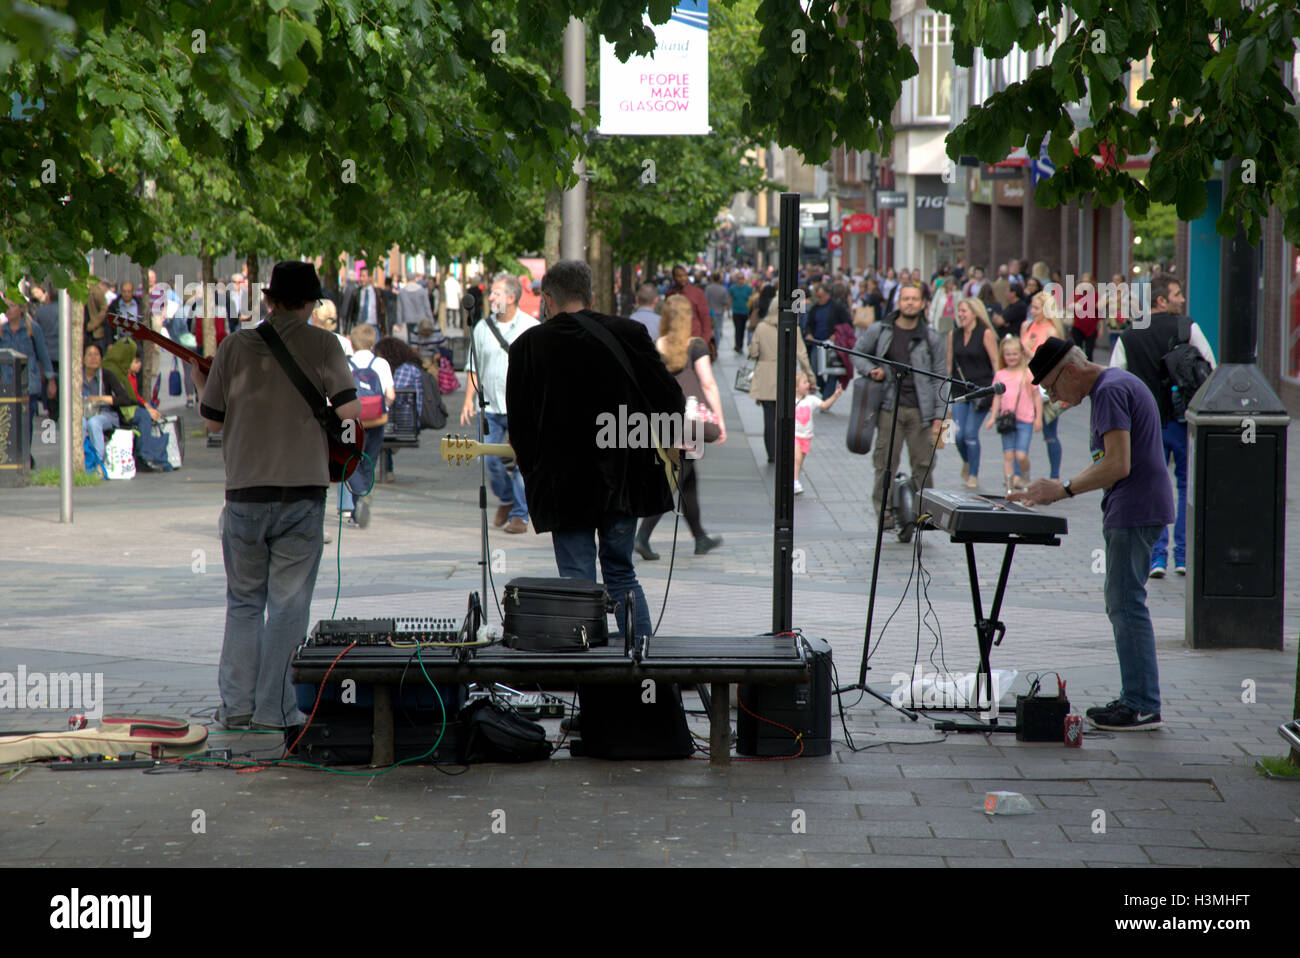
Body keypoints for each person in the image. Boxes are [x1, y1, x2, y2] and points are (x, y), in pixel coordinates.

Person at [191, 261, 362, 731]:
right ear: (309, 303)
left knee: (244, 602)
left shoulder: (233, 346)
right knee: (288, 605)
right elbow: (350, 411)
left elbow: (212, 421)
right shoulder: (323, 343)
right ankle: (276, 711)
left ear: (268, 300)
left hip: (244, 493)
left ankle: (237, 708)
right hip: (302, 494)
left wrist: (199, 378)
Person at [505, 259, 684, 641]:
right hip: (622, 478)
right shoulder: (629, 333)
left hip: (563, 484)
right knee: (621, 572)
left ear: (547, 299)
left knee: (575, 579)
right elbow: (670, 398)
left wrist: (533, 470)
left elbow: (519, 428)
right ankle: (643, 666)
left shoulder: (528, 346)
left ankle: (585, 673)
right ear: (591, 295)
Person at [1010, 338, 1172, 731]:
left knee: (1125, 605)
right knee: (1124, 603)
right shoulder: (1113, 385)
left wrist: (1062, 489)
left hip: (1135, 509)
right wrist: (1055, 489)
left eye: (1051, 388)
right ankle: (1136, 697)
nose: (1054, 397)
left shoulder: (1110, 390)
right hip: (1136, 507)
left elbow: (1117, 463)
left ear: (1069, 371)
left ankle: (1141, 704)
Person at [1109, 275, 1215, 578]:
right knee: (1185, 485)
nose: (1182, 299)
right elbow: (1211, 368)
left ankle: (1156, 557)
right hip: (1182, 423)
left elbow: (1115, 379)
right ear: (1161, 300)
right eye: (1177, 294)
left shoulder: (1129, 335)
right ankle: (1182, 556)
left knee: (1150, 488)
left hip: (1144, 427)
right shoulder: (1186, 327)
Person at [634, 295, 725, 558]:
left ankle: (700, 538)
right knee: (672, 480)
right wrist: (719, 421)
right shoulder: (695, 346)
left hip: (665, 421)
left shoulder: (655, 345)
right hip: (691, 424)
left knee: (688, 481)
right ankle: (642, 536)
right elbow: (708, 383)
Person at [852, 284, 947, 529]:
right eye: (905, 298)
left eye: (915, 299)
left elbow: (940, 376)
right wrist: (871, 370)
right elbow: (857, 352)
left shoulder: (932, 336)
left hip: (922, 413)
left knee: (924, 466)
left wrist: (940, 415)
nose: (910, 303)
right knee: (884, 464)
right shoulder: (881, 330)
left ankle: (925, 514)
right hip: (888, 408)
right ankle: (883, 513)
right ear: (898, 302)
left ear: (923, 303)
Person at [461, 272, 539, 534]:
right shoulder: (482, 327)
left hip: (522, 410)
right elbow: (474, 367)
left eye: (495, 292)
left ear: (511, 297)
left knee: (521, 462)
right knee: (489, 459)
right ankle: (506, 499)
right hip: (491, 409)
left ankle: (519, 514)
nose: (490, 297)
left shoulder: (531, 327)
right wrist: (468, 401)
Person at [749, 296, 816, 463]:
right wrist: (811, 378)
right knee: (785, 416)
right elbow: (802, 355)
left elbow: (753, 353)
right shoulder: (794, 328)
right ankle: (784, 451)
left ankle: (771, 454)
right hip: (786, 376)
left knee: (769, 417)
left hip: (765, 376)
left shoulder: (761, 328)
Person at [342, 323, 394, 526]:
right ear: (372, 343)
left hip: (351, 422)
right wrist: (383, 407)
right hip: (375, 421)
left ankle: (359, 499)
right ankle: (365, 495)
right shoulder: (381, 364)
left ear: (352, 344)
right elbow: (391, 395)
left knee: (350, 462)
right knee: (369, 461)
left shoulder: (345, 364)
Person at [948, 297, 999, 489]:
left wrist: (997, 392)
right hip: (959, 390)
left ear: (975, 313)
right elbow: (949, 364)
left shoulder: (985, 333)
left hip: (981, 391)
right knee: (958, 436)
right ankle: (967, 461)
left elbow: (996, 364)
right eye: (959, 311)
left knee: (970, 433)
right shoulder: (954, 334)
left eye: (964, 311)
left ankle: (973, 474)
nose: (960, 315)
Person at [0, 290, 56, 466]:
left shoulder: (33, 329)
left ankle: (25, 453)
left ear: (21, 309)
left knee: (26, 421)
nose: (8, 310)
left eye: (12, 306)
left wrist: (50, 380)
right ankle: (11, 454)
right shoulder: (2, 331)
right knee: (8, 421)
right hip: (7, 383)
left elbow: (43, 355)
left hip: (28, 383)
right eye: (5, 306)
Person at [984, 335, 1041, 494]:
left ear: (1022, 354)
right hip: (1007, 420)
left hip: (1026, 419)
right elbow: (997, 397)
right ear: (1003, 356)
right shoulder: (1000, 374)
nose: (1011, 357)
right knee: (1008, 454)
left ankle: (1025, 477)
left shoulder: (1028, 373)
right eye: (1008, 354)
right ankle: (1009, 488)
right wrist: (993, 416)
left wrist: (1038, 418)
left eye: (1015, 353)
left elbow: (1037, 396)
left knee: (1021, 455)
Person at [1020, 290, 1068, 479]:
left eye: (1036, 308)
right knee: (1021, 429)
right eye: (1031, 307)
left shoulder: (1051, 331)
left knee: (1049, 433)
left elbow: (1049, 363)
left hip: (1043, 386)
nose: (1032, 311)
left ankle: (1055, 475)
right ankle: (1020, 475)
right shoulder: (1027, 326)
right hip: (1024, 385)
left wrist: (1025, 349)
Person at [373, 336, 425, 480]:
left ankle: (372, 470)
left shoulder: (405, 370)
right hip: (405, 419)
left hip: (404, 422)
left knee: (372, 425)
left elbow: (393, 396)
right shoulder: (407, 367)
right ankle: (387, 469)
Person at [792, 371, 842, 494]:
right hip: (795, 435)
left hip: (807, 436)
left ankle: (794, 476)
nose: (808, 384)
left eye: (807, 382)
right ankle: (795, 482)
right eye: (804, 382)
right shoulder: (791, 400)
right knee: (797, 458)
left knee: (800, 460)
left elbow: (824, 405)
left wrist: (835, 396)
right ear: (796, 387)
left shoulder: (811, 400)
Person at [667, 264, 715, 353]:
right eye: (679, 276)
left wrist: (704, 341)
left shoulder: (697, 293)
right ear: (673, 278)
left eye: (685, 275)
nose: (683, 278)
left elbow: (705, 318)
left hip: (694, 340)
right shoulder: (669, 294)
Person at [728, 270, 753, 355]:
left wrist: (750, 312)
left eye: (742, 278)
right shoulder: (732, 288)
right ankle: (738, 346)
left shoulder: (748, 289)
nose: (740, 280)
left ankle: (739, 345)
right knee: (738, 328)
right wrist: (728, 311)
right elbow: (730, 300)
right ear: (736, 279)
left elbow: (750, 300)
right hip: (736, 312)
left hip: (745, 312)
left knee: (742, 329)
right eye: (739, 278)